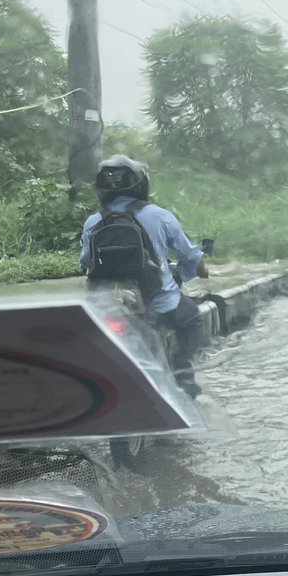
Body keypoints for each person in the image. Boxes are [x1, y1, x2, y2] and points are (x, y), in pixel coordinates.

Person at [80, 154, 208, 395]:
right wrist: (199, 270)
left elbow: (85, 262)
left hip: (108, 305)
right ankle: (183, 372)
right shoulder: (159, 215)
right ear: (140, 183)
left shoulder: (93, 222)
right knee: (192, 319)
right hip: (158, 304)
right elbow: (191, 256)